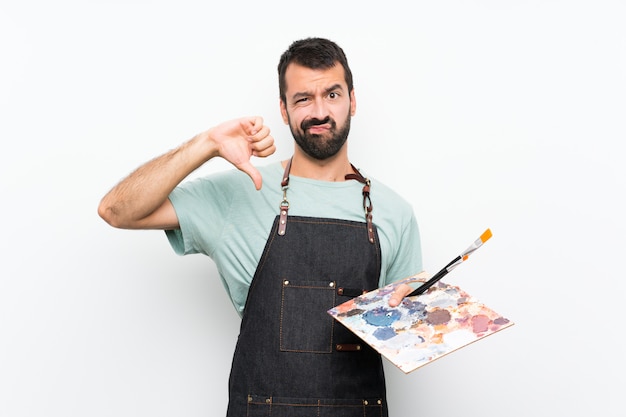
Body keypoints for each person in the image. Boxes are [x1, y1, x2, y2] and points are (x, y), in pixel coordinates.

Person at [98, 37, 422, 417]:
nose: (320, 111)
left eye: (332, 95)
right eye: (303, 99)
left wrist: (425, 314)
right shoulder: (242, 192)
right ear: (283, 110)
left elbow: (408, 341)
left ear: (352, 100)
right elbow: (117, 210)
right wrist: (207, 144)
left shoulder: (394, 212)